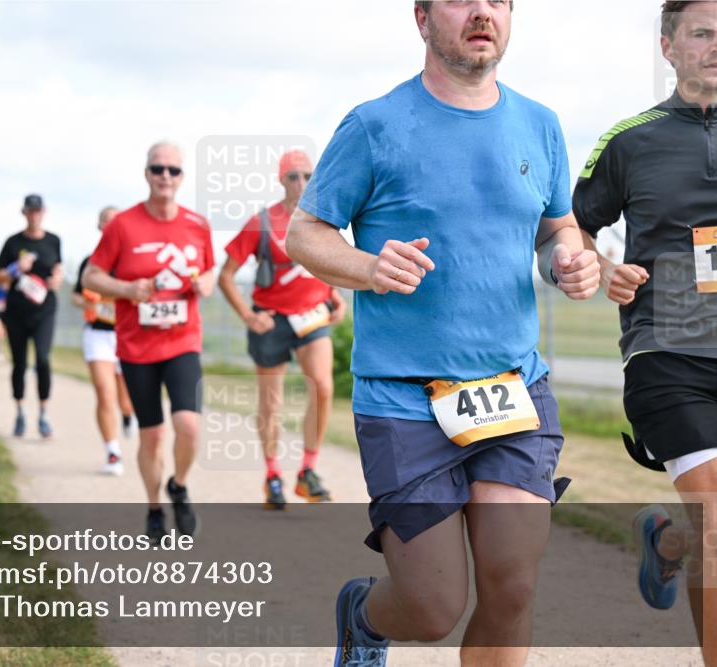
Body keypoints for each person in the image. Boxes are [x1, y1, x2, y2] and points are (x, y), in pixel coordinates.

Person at [285, 2, 601, 664]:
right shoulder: (375, 125)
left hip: (514, 387)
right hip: (405, 400)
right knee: (432, 608)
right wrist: (370, 267)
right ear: (423, 18)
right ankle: (365, 615)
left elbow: (556, 228)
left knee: (512, 586)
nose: (482, 11)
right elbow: (305, 234)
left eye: (498, 0)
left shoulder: (539, 125)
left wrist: (567, 260)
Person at [573, 2, 717, 663]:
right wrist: (600, 265)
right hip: (668, 351)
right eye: (702, 33)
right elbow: (567, 230)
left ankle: (664, 542)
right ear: (669, 46)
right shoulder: (629, 138)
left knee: (708, 525)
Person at [83, 142, 215, 539]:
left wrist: (203, 283)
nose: (165, 176)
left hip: (182, 342)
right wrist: (127, 288)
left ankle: (179, 485)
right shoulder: (123, 225)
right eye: (158, 169)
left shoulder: (197, 224)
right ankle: (155, 506)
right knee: (152, 435)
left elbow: (209, 271)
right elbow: (91, 277)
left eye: (173, 170)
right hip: (137, 347)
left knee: (188, 426)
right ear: (146, 174)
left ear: (182, 178)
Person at [218, 150, 347, 509]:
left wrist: (334, 296)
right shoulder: (262, 222)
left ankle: (307, 471)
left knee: (322, 387)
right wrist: (248, 315)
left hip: (311, 318)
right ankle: (272, 475)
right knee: (271, 402)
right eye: (294, 176)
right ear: (281, 180)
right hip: (271, 318)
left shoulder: (321, 221)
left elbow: (322, 266)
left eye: (308, 176)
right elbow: (225, 275)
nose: (302, 183)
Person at [72, 206, 137, 476]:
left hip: (126, 334)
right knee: (104, 392)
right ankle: (113, 452)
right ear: (99, 227)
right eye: (106, 223)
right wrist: (87, 302)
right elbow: (76, 296)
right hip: (97, 334)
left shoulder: (131, 260)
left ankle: (127, 414)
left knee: (125, 398)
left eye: (116, 222)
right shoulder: (91, 262)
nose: (111, 227)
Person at [0, 194, 64, 438]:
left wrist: (57, 278)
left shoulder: (54, 241)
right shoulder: (13, 243)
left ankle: (44, 414)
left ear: (44, 212)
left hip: (44, 309)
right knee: (20, 364)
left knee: (43, 359)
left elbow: (57, 269)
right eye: (30, 211)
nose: (34, 215)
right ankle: (20, 412)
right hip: (16, 311)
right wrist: (15, 268)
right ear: (24, 213)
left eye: (38, 211)